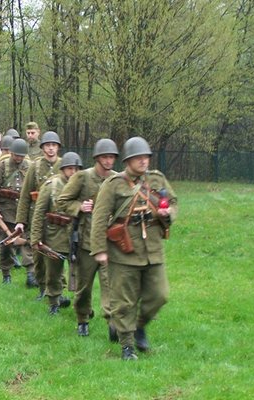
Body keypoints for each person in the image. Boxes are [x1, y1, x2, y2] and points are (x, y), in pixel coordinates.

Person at [91, 137, 177, 361]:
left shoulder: (157, 179)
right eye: (138, 158)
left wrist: (169, 214)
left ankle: (139, 325)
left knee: (160, 295)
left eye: (146, 157)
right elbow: (99, 218)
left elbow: (174, 202)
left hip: (153, 249)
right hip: (124, 251)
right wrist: (99, 249)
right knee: (124, 301)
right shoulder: (114, 184)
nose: (143, 161)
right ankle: (127, 345)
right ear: (128, 161)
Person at [57, 138, 119, 339]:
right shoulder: (83, 177)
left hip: (110, 242)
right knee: (84, 287)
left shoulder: (118, 179)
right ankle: (82, 318)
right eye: (105, 157)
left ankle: (112, 321)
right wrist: (79, 207)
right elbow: (62, 201)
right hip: (86, 242)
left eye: (112, 157)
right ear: (97, 158)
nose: (109, 161)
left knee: (111, 284)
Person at [31, 152, 83, 314]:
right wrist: (36, 238)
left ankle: (81, 305)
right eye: (69, 169)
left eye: (76, 169)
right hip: (55, 235)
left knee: (82, 273)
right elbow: (39, 213)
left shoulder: (84, 186)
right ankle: (54, 301)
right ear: (63, 169)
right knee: (53, 272)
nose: (72, 172)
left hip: (77, 235)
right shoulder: (51, 185)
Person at [15, 131, 66, 300]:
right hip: (37, 216)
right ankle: (43, 287)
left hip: (58, 218)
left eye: (54, 145)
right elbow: (24, 195)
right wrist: (21, 221)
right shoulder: (35, 166)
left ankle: (58, 291)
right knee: (38, 254)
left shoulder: (64, 165)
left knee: (57, 254)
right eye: (47, 145)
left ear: (58, 147)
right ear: (43, 147)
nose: (51, 149)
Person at [0, 138, 35, 285]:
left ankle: (31, 274)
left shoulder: (31, 167)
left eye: (21, 155)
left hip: (24, 211)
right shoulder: (2, 166)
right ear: (11, 153)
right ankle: (6, 273)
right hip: (6, 211)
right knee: (5, 245)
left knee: (28, 243)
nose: (18, 158)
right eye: (16, 155)